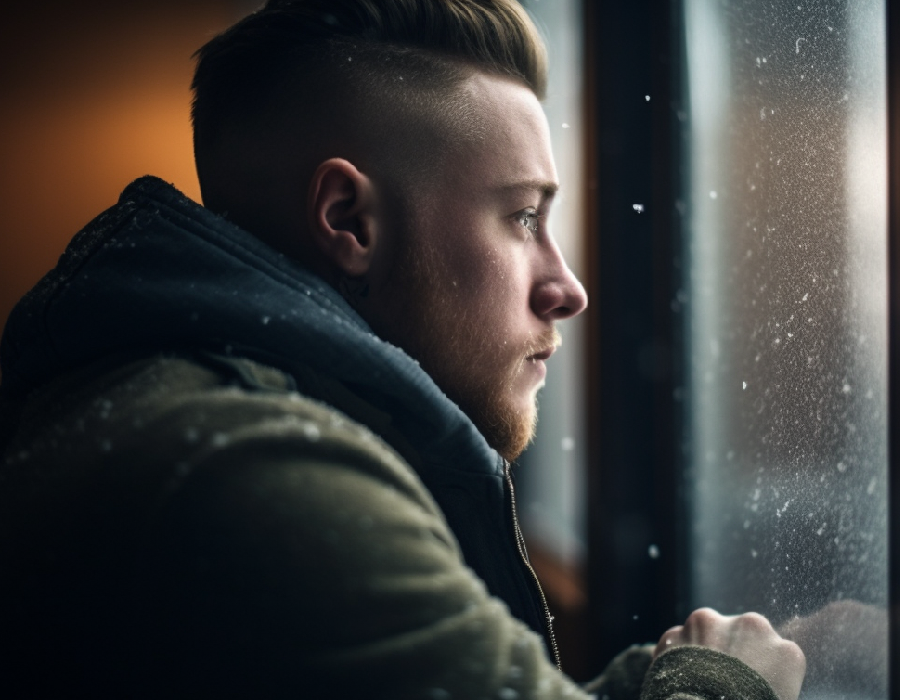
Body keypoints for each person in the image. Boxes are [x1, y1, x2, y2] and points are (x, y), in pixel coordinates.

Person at [0, 1, 805, 698]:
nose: (567, 288)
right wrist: (720, 686)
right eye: (523, 216)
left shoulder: (176, 409)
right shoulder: (250, 471)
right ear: (350, 221)